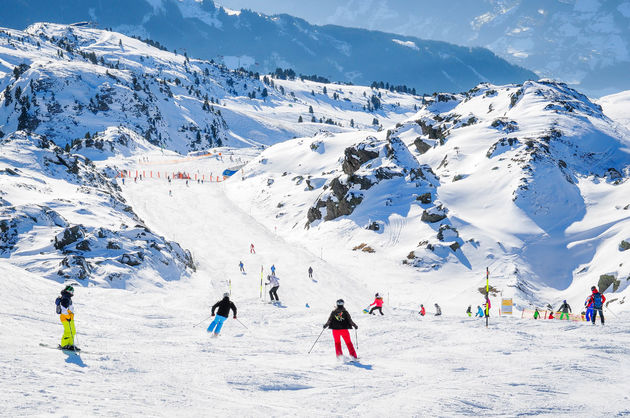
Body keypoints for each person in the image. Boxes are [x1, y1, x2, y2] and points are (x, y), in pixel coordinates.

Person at [57, 285, 78, 350]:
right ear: (68, 291)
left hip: (69, 317)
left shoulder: (67, 297)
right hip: (65, 318)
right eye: (72, 291)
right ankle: (64, 345)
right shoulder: (65, 298)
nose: (72, 293)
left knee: (73, 331)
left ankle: (70, 345)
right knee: (68, 331)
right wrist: (68, 317)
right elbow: (63, 309)